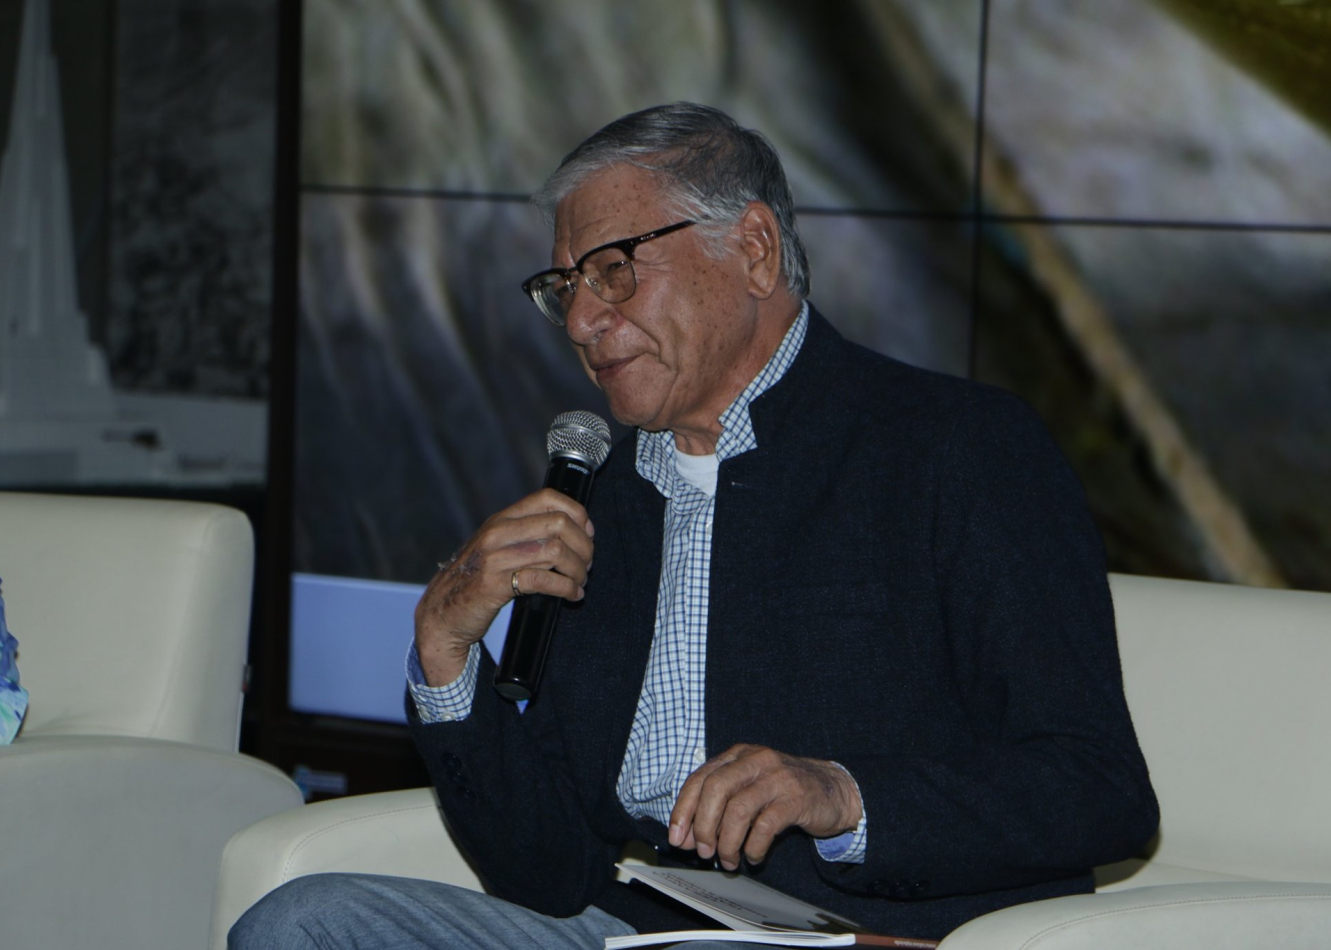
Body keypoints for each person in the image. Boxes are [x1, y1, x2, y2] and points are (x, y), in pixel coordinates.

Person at [231, 102, 1157, 948]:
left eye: (613, 272)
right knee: (303, 924)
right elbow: (539, 873)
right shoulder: (598, 489)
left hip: (868, 934)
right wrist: (444, 655)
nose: (585, 321)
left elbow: (1096, 789)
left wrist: (841, 796)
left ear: (752, 249)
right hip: (630, 932)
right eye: (565, 288)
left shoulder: (956, 448)